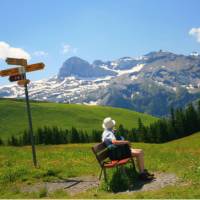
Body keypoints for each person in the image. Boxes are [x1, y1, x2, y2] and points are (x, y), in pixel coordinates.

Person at [102, 117, 155, 181]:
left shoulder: (107, 132)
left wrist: (114, 132)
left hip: (116, 152)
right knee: (139, 153)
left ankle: (143, 171)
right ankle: (142, 174)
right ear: (112, 125)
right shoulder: (109, 133)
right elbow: (114, 142)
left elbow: (110, 141)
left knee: (140, 151)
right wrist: (126, 142)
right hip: (118, 154)